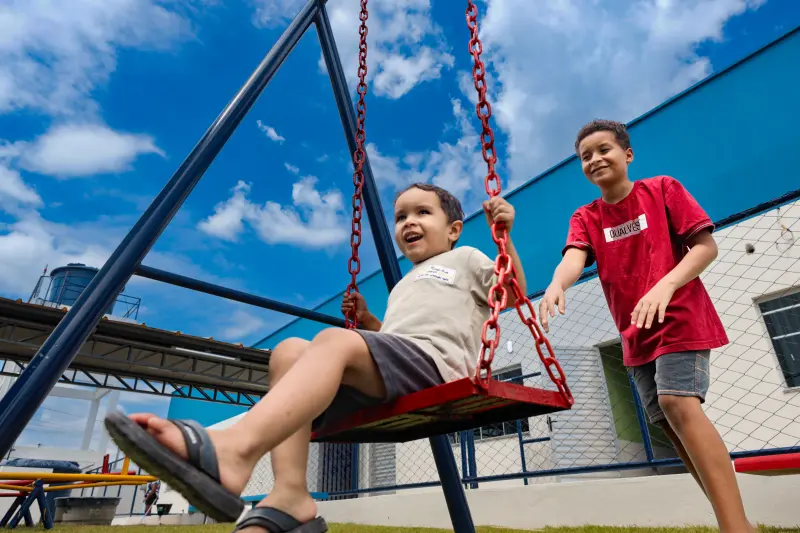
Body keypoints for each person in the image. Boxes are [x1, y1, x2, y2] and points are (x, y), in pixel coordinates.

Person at [103, 182, 525, 533]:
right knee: (288, 350)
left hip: (438, 369)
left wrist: (504, 236)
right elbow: (391, 341)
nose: (409, 222)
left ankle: (234, 449)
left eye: (422, 213)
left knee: (333, 342)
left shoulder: (464, 258)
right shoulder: (402, 285)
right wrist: (367, 320)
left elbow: (511, 293)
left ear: (453, 229)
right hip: (400, 368)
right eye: (401, 217)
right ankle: (290, 495)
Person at [539, 119, 753, 532]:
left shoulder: (661, 190)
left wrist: (666, 285)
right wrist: (556, 283)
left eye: (604, 149)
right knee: (670, 426)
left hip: (679, 317)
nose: (595, 159)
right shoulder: (586, 216)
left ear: (627, 154)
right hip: (635, 334)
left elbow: (705, 246)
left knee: (678, 403)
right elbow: (574, 257)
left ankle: (737, 527)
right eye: (586, 156)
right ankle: (730, 518)